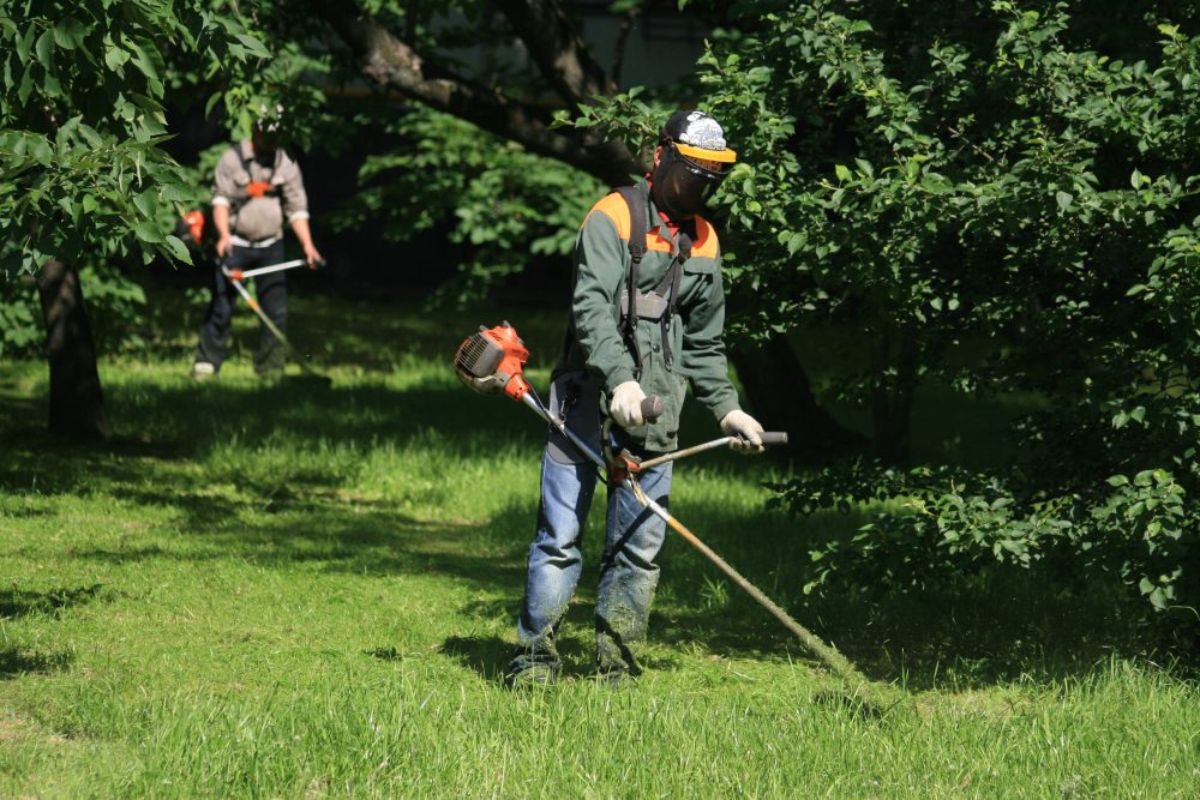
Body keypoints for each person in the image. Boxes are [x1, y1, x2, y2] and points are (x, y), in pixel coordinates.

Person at [506, 109, 767, 687]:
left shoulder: (703, 239)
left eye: (709, 179)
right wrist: (620, 381)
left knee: (638, 545)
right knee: (559, 539)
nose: (698, 188)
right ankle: (534, 661)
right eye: (690, 174)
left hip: (658, 408)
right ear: (660, 158)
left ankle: (616, 668)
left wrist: (728, 408)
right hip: (584, 395)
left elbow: (705, 340)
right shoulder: (613, 216)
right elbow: (591, 309)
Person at [191, 105, 322, 379]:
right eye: (267, 135)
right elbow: (220, 202)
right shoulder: (232, 159)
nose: (272, 142)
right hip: (235, 243)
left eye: (277, 136)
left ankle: (270, 368)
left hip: (271, 246)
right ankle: (206, 364)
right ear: (255, 130)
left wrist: (308, 246)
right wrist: (224, 236)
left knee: (276, 309)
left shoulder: (286, 162)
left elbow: (297, 209)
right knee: (221, 306)